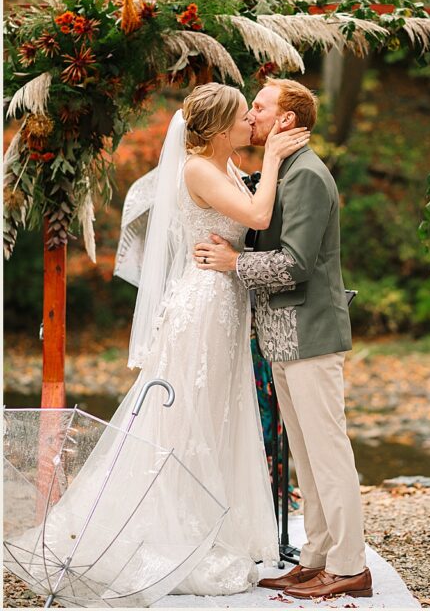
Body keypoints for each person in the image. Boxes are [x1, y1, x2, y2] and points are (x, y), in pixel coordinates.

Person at [11, 83, 310, 597]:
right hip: (204, 307)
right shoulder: (197, 168)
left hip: (226, 301)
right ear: (218, 129)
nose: (250, 125)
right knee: (186, 417)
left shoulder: (225, 167)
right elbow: (258, 216)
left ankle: (214, 528)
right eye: (243, 117)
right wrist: (279, 156)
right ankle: (170, 533)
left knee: (216, 415)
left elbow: (252, 219)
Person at [194, 78, 371, 600]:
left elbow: (295, 265)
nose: (251, 114)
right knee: (309, 457)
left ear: (286, 120)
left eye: (260, 107)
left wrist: (234, 262)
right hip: (286, 337)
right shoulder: (284, 172)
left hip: (312, 333)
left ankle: (350, 566)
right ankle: (317, 558)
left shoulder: (309, 176)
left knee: (329, 454)